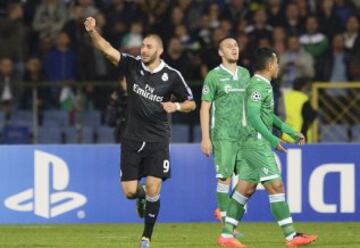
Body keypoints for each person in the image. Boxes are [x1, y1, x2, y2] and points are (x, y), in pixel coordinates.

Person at [84, 17, 196, 248]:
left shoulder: (172, 76)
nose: (143, 50)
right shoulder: (132, 66)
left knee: (155, 187)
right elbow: (108, 50)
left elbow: (191, 103)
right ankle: (141, 196)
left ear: (160, 51)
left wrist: (175, 106)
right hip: (132, 138)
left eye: (148, 47)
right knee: (129, 191)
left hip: (158, 139)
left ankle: (146, 238)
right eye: (142, 46)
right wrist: (93, 32)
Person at [217, 48, 318, 248]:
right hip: (256, 143)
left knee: (245, 188)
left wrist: (289, 130)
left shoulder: (262, 85)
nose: (279, 66)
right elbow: (254, 116)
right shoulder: (258, 86)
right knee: (276, 186)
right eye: (277, 63)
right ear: (270, 65)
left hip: (251, 142)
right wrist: (273, 139)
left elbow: (267, 115)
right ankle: (291, 236)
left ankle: (227, 235)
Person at [200, 37, 250, 226]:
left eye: (236, 45)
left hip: (244, 136)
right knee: (225, 178)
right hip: (223, 135)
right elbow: (204, 108)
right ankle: (227, 226)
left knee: (249, 178)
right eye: (229, 46)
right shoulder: (214, 76)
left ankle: (225, 210)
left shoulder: (245, 74)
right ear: (221, 53)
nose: (234, 48)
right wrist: (205, 138)